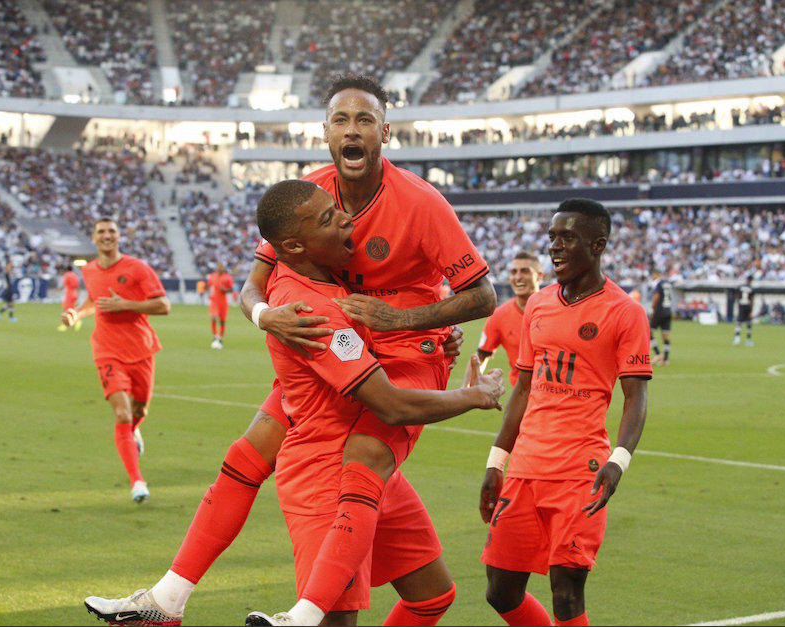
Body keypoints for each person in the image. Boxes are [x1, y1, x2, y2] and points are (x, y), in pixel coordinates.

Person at [84, 74, 495, 627]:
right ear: (325, 133)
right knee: (248, 452)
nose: (353, 130)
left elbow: (483, 296)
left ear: (384, 133)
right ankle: (167, 598)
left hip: (401, 357)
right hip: (338, 354)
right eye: (342, 120)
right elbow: (257, 282)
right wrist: (263, 315)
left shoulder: (420, 203)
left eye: (365, 120)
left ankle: (297, 616)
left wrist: (407, 318)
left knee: (366, 460)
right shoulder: (308, 198)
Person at [245, 180, 503, 626]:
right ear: (293, 246)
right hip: (325, 474)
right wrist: (474, 395)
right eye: (328, 218)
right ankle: (296, 617)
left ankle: (172, 592)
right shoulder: (313, 312)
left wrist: (432, 338)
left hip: (371, 468)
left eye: (336, 209)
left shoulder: (328, 286)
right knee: (335, 621)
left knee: (432, 595)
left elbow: (255, 285)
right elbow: (392, 406)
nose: (346, 219)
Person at [480, 199, 651, 626]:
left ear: (598, 245)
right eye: (553, 237)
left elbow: (635, 399)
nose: (556, 247)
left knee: (567, 592)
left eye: (568, 238)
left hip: (580, 471)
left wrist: (618, 462)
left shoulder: (625, 312)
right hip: (524, 467)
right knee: (500, 591)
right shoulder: (537, 305)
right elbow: (522, 388)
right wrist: (496, 461)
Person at [60, 218, 171, 503]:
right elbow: (93, 301)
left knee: (140, 409)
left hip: (141, 349)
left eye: (111, 231)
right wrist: (76, 313)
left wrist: (126, 305)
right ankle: (137, 481)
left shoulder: (138, 268)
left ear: (118, 237)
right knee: (121, 413)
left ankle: (134, 432)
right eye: (101, 232)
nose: (107, 236)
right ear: (94, 239)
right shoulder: (89, 270)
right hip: (107, 350)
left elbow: (163, 305)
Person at [468, 252, 543, 389]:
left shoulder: (556, 309)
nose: (518, 277)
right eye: (514, 272)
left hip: (557, 396)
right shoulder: (499, 315)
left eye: (525, 271)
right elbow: (480, 356)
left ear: (539, 276)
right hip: (523, 396)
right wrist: (466, 391)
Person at [207, 262, 234, 349]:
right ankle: (215, 336)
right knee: (213, 317)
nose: (220, 268)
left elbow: (231, 289)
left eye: (221, 267)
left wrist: (224, 290)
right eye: (218, 267)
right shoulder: (212, 276)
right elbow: (209, 285)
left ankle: (221, 338)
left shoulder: (227, 277)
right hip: (214, 301)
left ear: (223, 268)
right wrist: (209, 293)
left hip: (223, 302)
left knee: (222, 321)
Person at [649, 270, 673, 364]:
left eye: (653, 275)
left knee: (649, 332)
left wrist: (652, 308)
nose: (652, 277)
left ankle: (658, 354)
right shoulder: (667, 283)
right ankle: (665, 359)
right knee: (665, 336)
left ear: (656, 274)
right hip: (668, 311)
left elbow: (656, 296)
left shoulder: (658, 284)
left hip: (659, 311)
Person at [58, 265, 83, 332]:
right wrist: (78, 294)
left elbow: (65, 284)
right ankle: (76, 321)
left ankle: (66, 324)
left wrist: (59, 289)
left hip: (69, 293)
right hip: (74, 293)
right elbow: (78, 285)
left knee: (67, 309)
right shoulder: (75, 275)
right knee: (72, 309)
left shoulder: (67, 275)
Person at [733, 276, 755, 346]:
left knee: (739, 322)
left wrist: (738, 302)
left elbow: (735, 294)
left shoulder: (740, 287)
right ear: (751, 281)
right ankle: (748, 340)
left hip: (741, 305)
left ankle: (737, 339)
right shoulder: (751, 288)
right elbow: (752, 300)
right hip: (747, 305)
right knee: (749, 323)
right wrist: (751, 310)